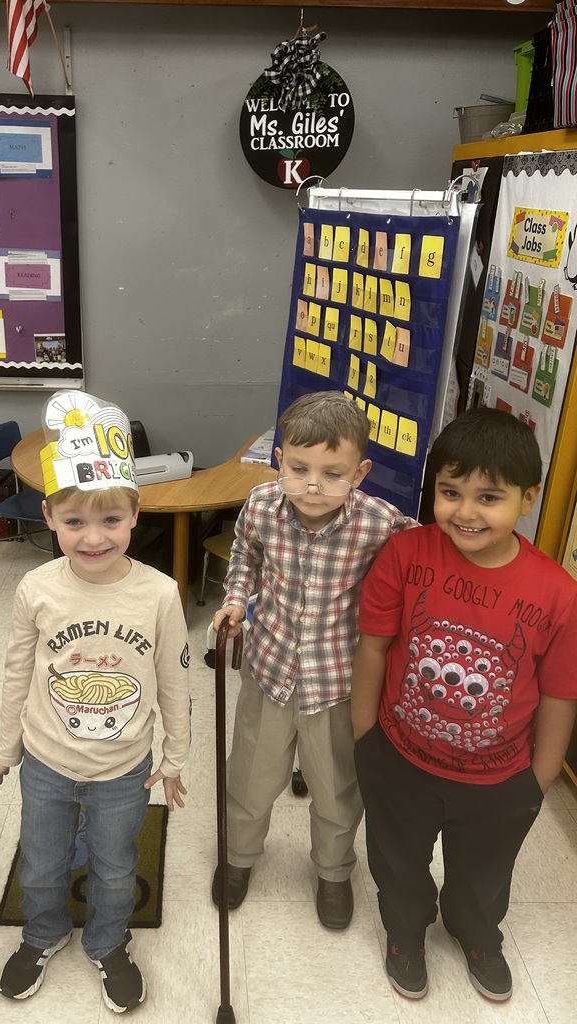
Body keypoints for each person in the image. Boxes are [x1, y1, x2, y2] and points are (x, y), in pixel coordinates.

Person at [351, 407, 577, 1003]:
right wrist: (364, 737)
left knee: (484, 869)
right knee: (398, 858)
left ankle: (476, 931)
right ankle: (405, 931)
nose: (466, 512)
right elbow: (373, 646)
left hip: (501, 777)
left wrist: (541, 777)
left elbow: (559, 690)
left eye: (489, 497)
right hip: (399, 756)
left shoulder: (557, 592)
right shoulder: (405, 554)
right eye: (450, 492)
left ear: (527, 498)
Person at [0, 390, 190, 1014]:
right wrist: (5, 749)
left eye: (110, 521)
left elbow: (175, 680)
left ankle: (108, 942)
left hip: (123, 767)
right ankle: (42, 934)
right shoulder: (36, 587)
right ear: (49, 517)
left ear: (135, 513)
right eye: (74, 522)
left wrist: (174, 758)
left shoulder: (160, 594)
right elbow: (18, 671)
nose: (93, 538)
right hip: (46, 760)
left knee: (116, 865)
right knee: (40, 865)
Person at [212, 390, 415, 928]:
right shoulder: (260, 505)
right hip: (269, 670)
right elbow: (244, 555)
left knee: (336, 789)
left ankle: (333, 871)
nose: (312, 485)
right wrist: (236, 600)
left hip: (338, 684)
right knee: (251, 778)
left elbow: (421, 567)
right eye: (299, 468)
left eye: (332, 473)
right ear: (279, 459)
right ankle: (237, 859)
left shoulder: (381, 523)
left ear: (360, 472)